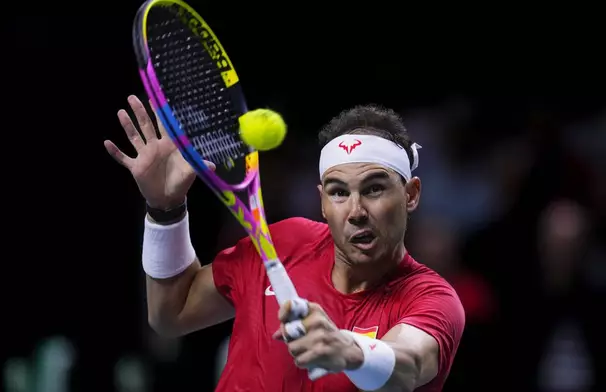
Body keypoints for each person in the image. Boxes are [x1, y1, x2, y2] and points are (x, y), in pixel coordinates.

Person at [104, 95, 466, 392]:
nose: (356, 211)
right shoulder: (284, 243)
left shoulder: (431, 298)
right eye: (339, 193)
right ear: (323, 202)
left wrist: (351, 351)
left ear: (411, 194)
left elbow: (410, 362)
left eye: (374, 189)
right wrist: (166, 211)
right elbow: (172, 313)